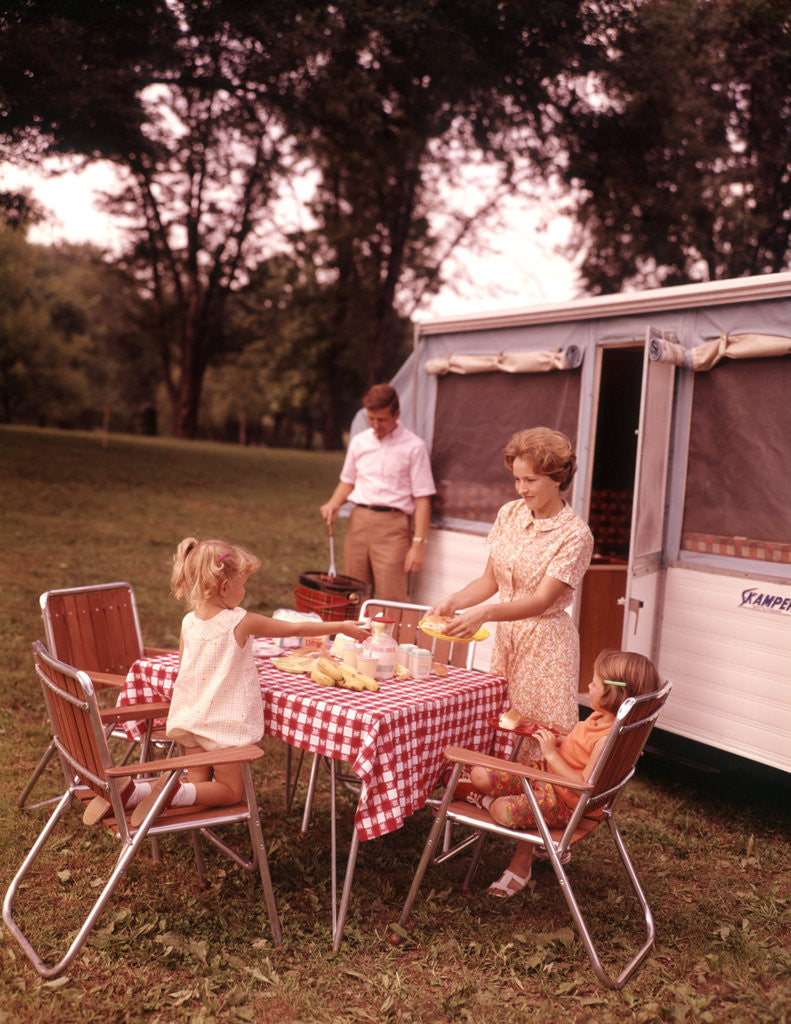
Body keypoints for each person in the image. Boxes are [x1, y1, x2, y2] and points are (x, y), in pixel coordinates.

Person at [83, 537, 369, 826]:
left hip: (189, 718)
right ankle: (169, 793)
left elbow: (185, 671)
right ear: (224, 587)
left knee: (198, 780)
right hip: (224, 726)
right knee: (230, 791)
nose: (244, 591)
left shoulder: (189, 623)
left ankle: (135, 790)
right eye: (242, 584)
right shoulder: (241, 622)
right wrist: (341, 626)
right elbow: (294, 627)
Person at [458, 649, 662, 898]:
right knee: (480, 774)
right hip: (546, 775)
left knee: (502, 810)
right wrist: (560, 739)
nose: (588, 685)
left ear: (614, 693)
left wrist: (551, 754)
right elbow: (580, 748)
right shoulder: (601, 717)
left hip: (564, 800)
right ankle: (486, 799)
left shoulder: (608, 739)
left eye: (594, 683)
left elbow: (583, 785)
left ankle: (487, 804)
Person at [431, 426, 594, 736]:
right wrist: (452, 602)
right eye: (517, 479)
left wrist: (484, 613)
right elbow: (489, 581)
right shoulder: (509, 514)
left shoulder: (575, 535)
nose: (521, 488)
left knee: (540, 734)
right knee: (506, 726)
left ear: (557, 478)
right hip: (508, 640)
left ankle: (542, 786)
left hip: (546, 647)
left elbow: (541, 601)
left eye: (530, 480)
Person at [320, 383, 436, 602]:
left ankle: (391, 637)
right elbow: (348, 481)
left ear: (397, 414)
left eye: (382, 419)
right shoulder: (360, 442)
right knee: (352, 594)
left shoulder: (414, 447)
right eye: (371, 419)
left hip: (393, 527)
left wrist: (418, 545)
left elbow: (422, 499)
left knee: (390, 598)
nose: (376, 425)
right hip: (359, 522)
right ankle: (352, 636)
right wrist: (333, 503)